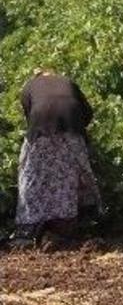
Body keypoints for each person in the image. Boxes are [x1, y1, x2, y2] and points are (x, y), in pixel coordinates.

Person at [11, 70, 102, 247]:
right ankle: (71, 222)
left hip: (40, 131)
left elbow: (29, 117)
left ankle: (29, 228)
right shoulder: (67, 82)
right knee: (68, 177)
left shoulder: (30, 86)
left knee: (31, 176)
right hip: (71, 129)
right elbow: (88, 112)